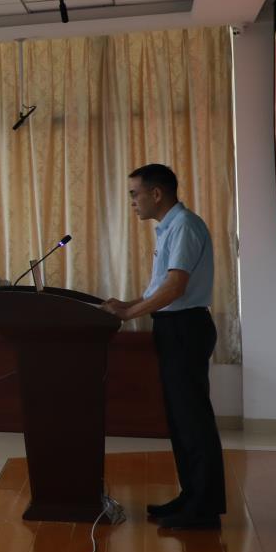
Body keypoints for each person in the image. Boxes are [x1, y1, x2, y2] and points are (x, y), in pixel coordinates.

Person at [102, 164, 225, 530]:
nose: (132, 202)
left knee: (193, 420)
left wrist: (130, 314)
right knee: (181, 420)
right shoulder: (169, 228)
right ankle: (191, 497)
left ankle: (204, 509)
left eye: (134, 194)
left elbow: (175, 287)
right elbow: (160, 287)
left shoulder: (184, 226)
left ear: (156, 194)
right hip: (175, 328)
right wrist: (127, 304)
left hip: (185, 328)